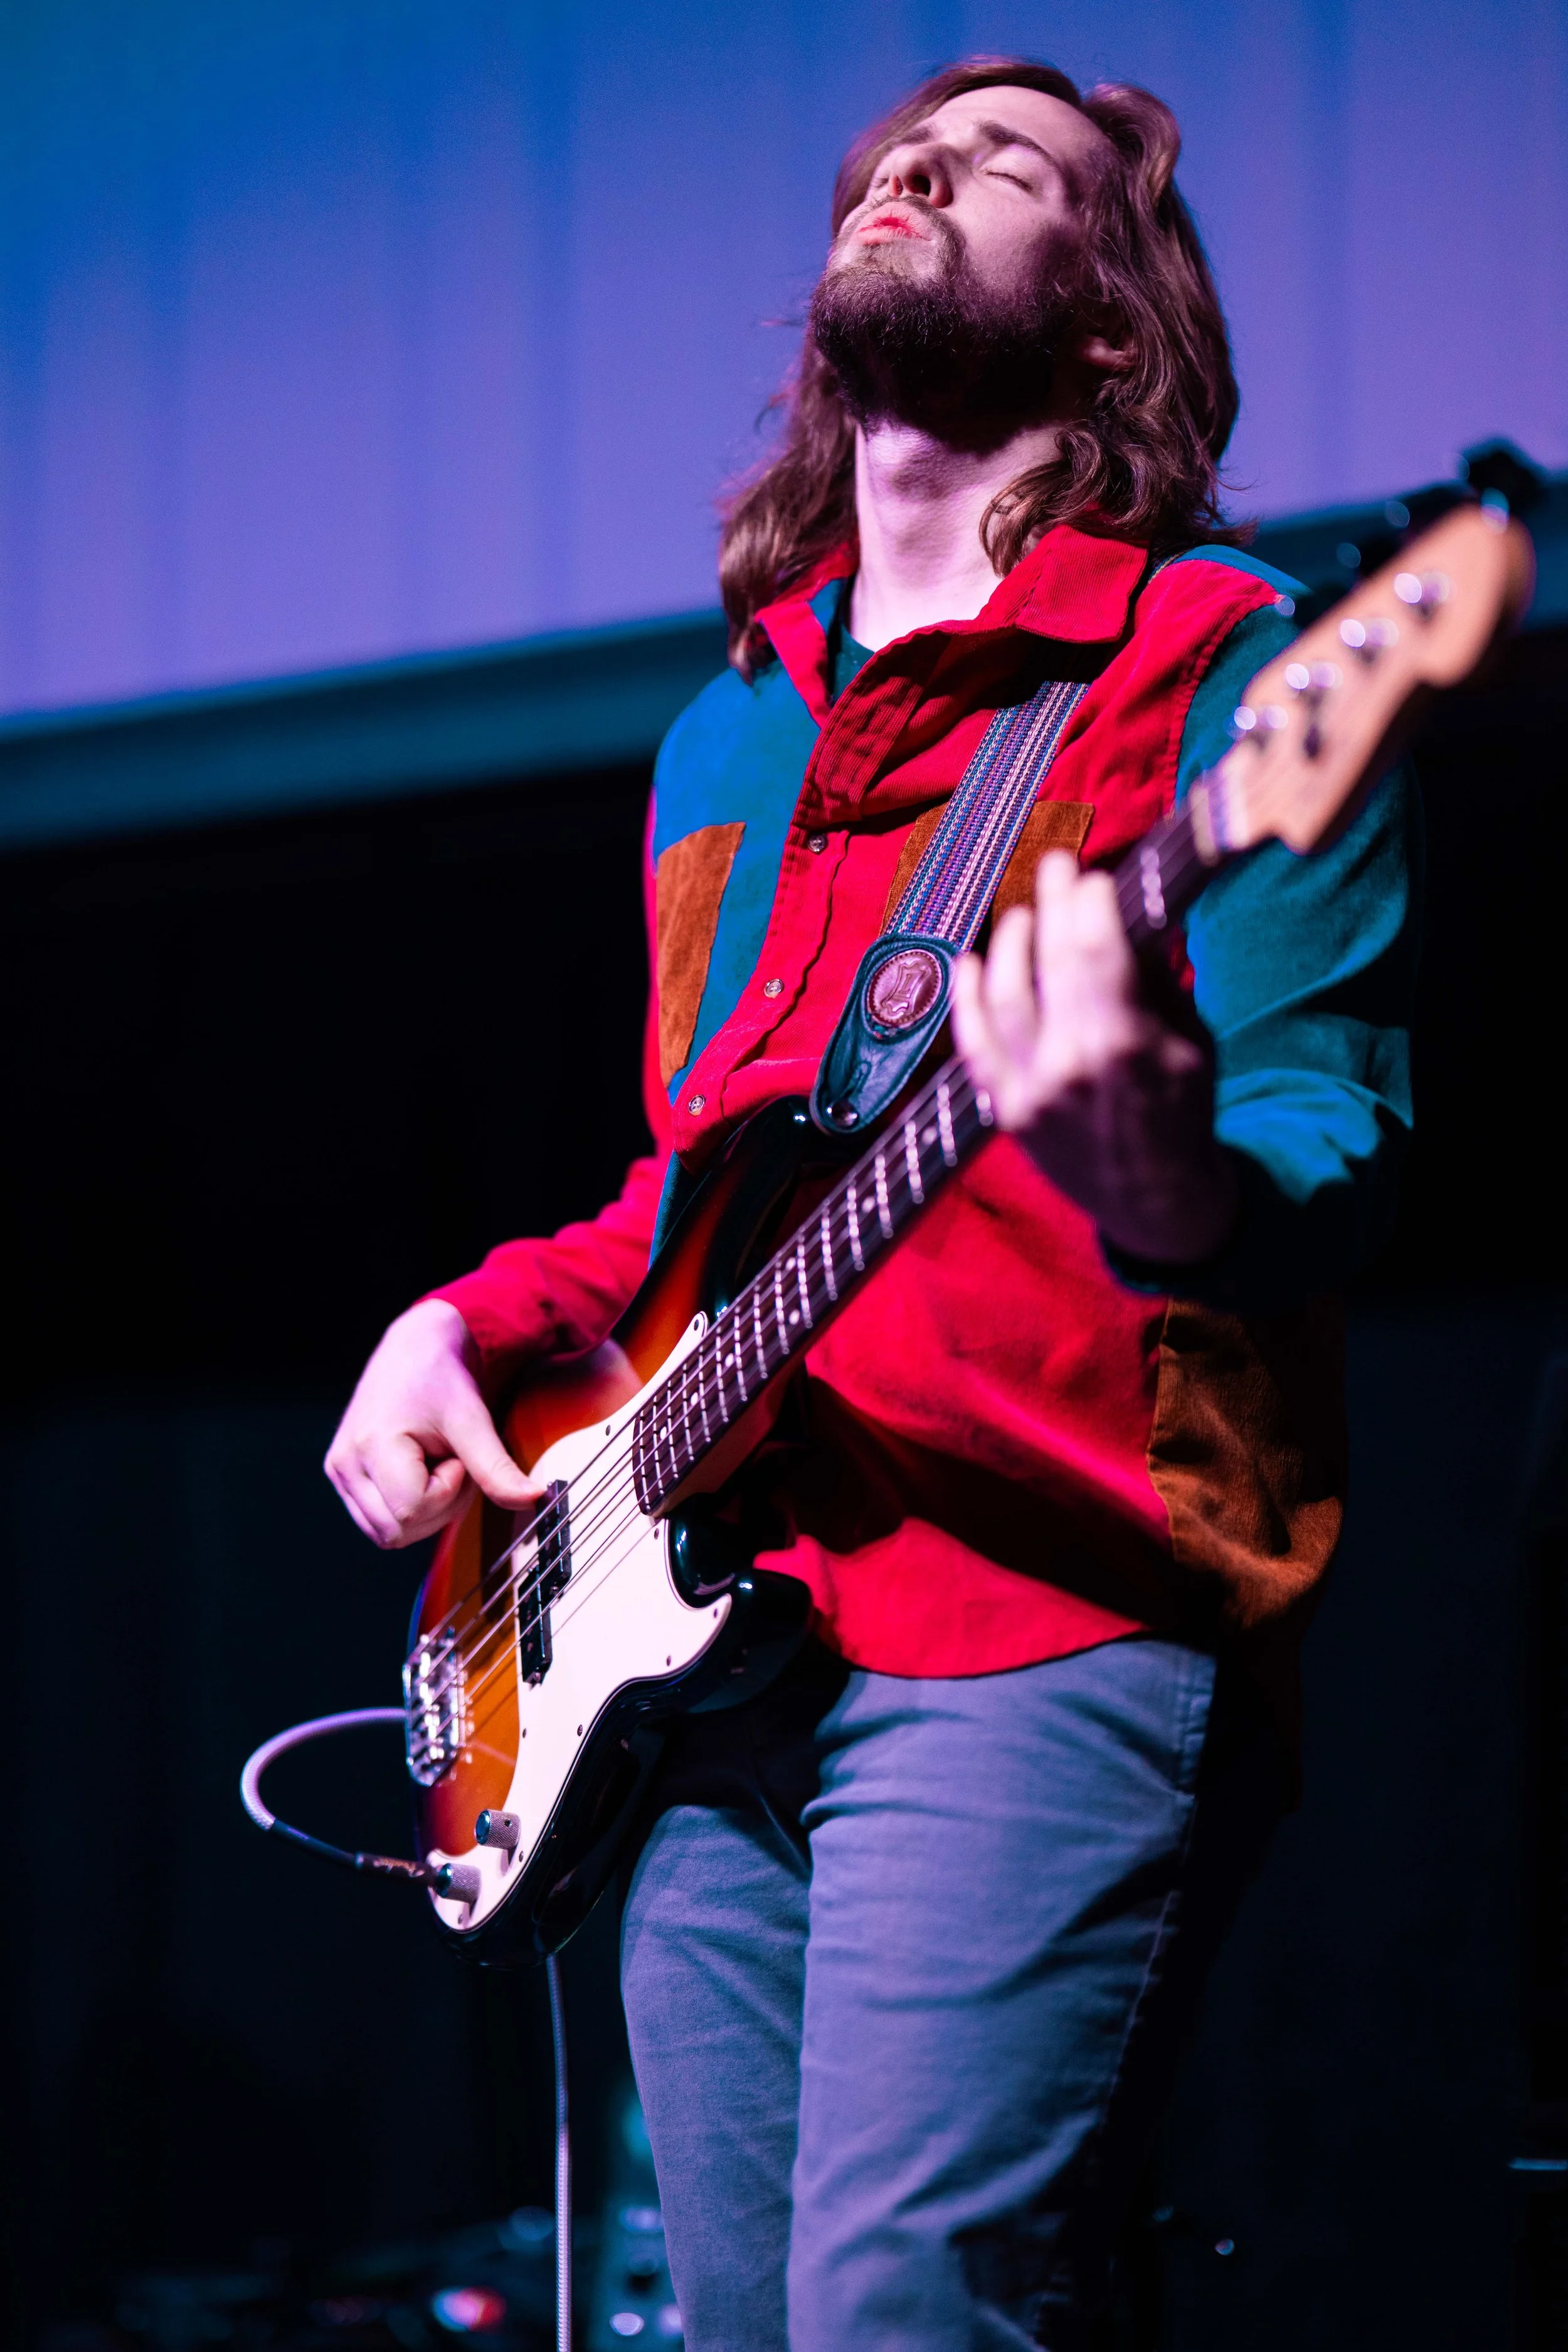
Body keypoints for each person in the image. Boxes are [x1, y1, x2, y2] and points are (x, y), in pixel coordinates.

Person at [326, 58, 1417, 2350]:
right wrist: (466, 1325)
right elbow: (705, 1180)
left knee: (905, 2307)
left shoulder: (1219, 660)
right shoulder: (731, 729)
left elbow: (1323, 1126)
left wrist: (1165, 1173)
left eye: (1003, 165)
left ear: (1109, 328)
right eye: (888, 163)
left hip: (1041, 1595)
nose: (915, 169)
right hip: (709, 1648)